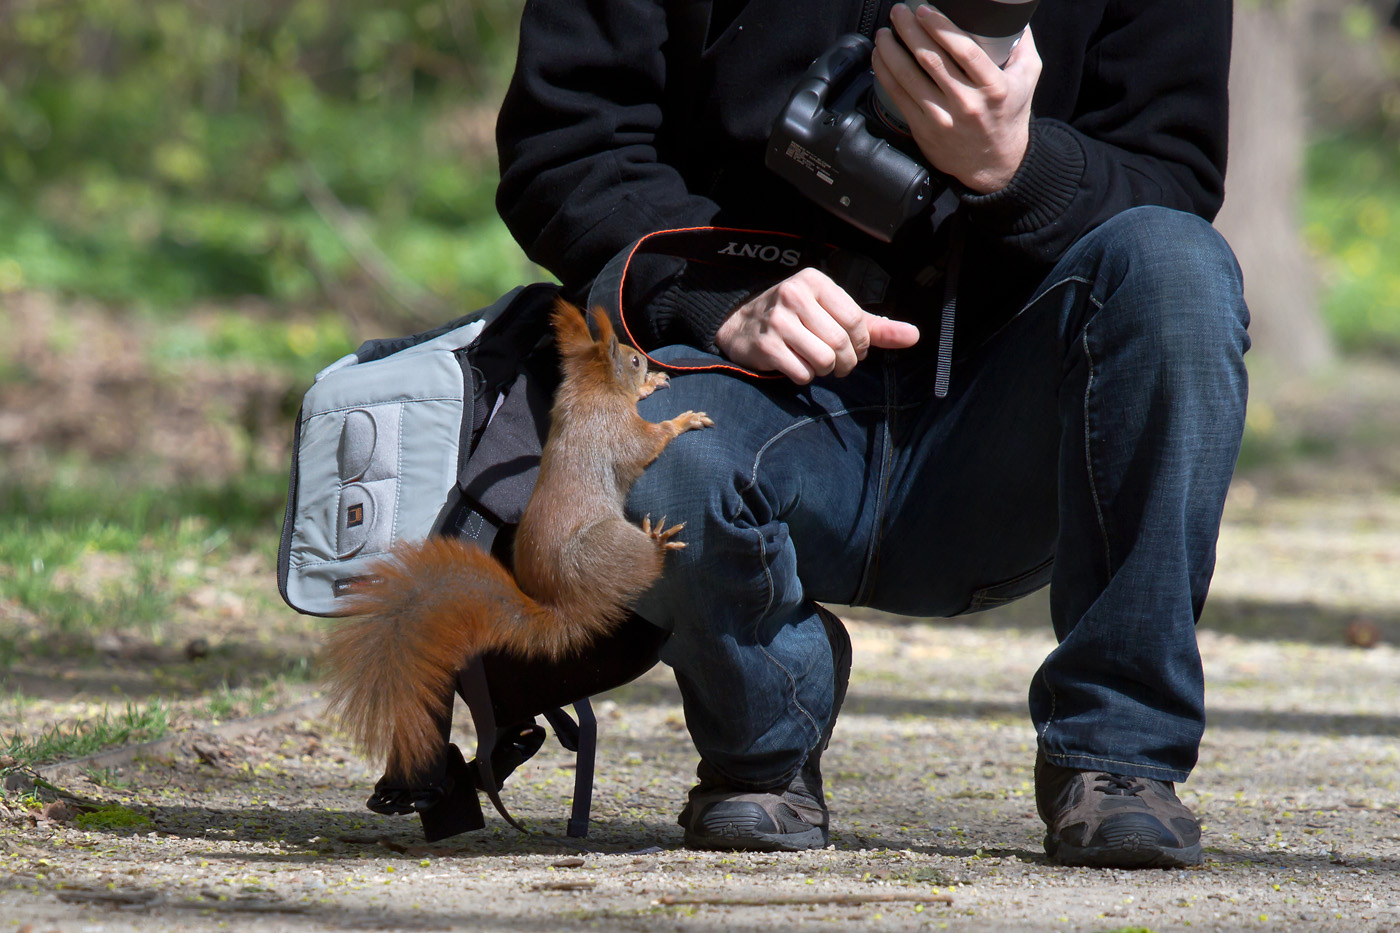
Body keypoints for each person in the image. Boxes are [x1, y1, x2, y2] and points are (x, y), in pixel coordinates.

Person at [494, 0, 1249, 869]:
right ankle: (765, 737)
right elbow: (565, 146)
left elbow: (1174, 179)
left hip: (1010, 431)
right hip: (753, 398)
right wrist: (715, 293)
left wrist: (1017, 163)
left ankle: (1119, 759)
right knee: (658, 444)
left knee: (1180, 270)